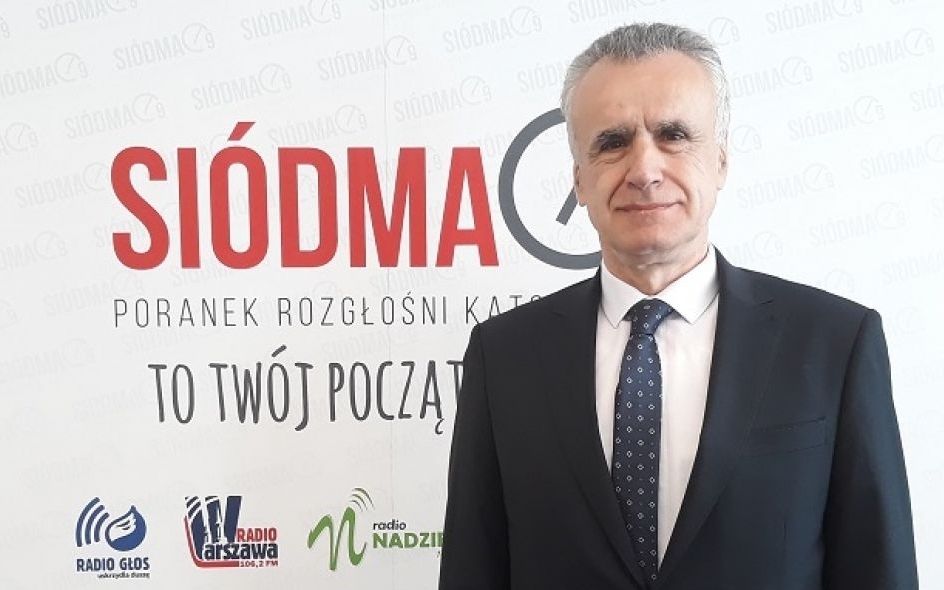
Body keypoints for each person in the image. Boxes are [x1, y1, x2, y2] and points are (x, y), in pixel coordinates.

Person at [439, 22, 918, 590]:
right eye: (612, 143)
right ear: (580, 181)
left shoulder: (835, 342)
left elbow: (877, 568)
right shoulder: (504, 356)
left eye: (673, 135)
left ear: (720, 162)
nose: (644, 170)